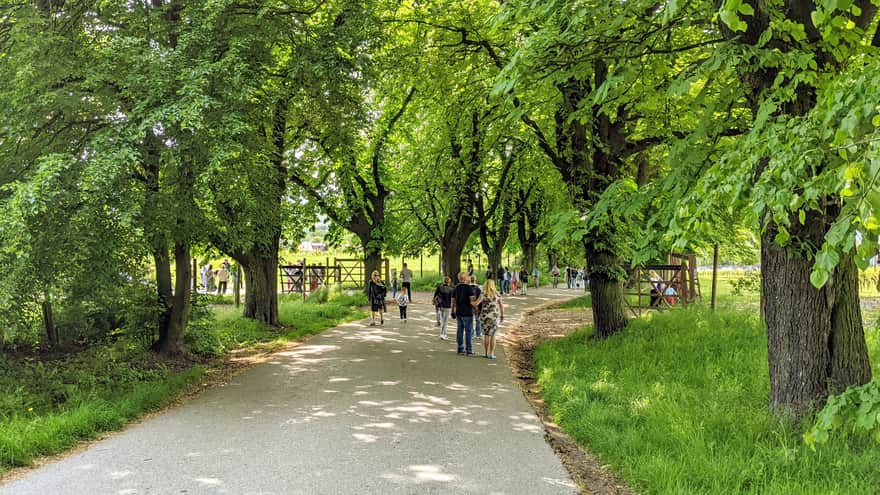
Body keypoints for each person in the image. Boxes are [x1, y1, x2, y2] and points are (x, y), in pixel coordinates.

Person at [451, 272, 478, 356]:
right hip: (467, 312)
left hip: (459, 312)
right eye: (467, 276)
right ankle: (469, 350)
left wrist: (452, 311)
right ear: (465, 278)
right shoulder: (469, 288)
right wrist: (476, 308)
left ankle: (460, 349)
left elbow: (453, 301)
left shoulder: (456, 288)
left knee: (460, 330)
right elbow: (472, 301)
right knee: (468, 332)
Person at [477, 279, 504, 359]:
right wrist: (502, 315)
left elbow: (477, 304)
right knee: (493, 335)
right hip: (494, 316)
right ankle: (491, 354)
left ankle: (485, 353)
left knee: (486, 335)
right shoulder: (497, 294)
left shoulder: (483, 294)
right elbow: (501, 306)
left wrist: (475, 307)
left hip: (485, 316)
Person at [470, 275, 483, 340]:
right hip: (478, 306)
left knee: (471, 320)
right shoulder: (479, 287)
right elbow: (481, 297)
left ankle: (472, 334)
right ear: (475, 280)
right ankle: (478, 333)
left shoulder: (468, 287)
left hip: (470, 306)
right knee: (478, 320)